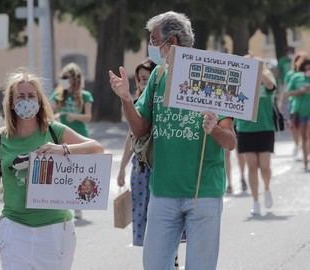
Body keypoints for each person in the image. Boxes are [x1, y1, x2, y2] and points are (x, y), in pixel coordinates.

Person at [109, 11, 236, 270]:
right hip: (163, 191)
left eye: (155, 40)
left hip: (203, 192)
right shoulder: (157, 77)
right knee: (154, 264)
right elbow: (141, 129)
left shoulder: (211, 75)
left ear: (173, 41)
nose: (152, 46)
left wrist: (214, 129)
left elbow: (230, 142)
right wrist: (125, 99)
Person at [0, 68, 103, 270]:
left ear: (39, 101)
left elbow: (96, 149)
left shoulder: (54, 130)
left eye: (31, 96)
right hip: (14, 229)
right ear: (11, 103)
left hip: (56, 230)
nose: (26, 100)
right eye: (21, 96)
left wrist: (62, 149)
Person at [117, 59, 156, 247]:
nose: (142, 82)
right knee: (140, 210)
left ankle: (169, 258)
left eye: (147, 78)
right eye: (140, 79)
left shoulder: (163, 103)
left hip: (160, 165)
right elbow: (131, 136)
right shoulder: (136, 101)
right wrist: (122, 168)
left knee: (162, 214)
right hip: (140, 167)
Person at [50, 62, 94, 220]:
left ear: (74, 79)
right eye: (62, 78)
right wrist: (56, 116)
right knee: (62, 173)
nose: (63, 81)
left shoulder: (85, 95)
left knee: (77, 173)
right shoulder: (58, 95)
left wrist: (74, 116)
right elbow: (50, 113)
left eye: (66, 78)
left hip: (78, 137)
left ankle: (78, 205)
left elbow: (88, 117)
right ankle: (62, 204)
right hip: (60, 139)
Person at [235, 59, 277, 215]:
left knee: (265, 167)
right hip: (246, 129)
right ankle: (255, 201)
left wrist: (258, 71)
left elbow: (270, 86)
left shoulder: (265, 83)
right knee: (252, 166)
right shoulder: (239, 84)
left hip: (265, 129)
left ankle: (266, 188)